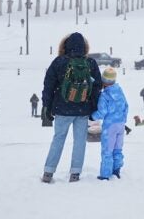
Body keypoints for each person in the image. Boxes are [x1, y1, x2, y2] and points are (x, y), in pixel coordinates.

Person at [41, 32, 102, 184]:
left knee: (58, 139)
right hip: (83, 109)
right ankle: (75, 173)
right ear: (84, 47)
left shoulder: (59, 62)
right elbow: (97, 87)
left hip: (62, 109)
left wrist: (47, 106)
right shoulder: (91, 63)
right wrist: (93, 108)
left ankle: (48, 172)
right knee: (80, 141)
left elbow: (48, 85)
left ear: (65, 45)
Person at [91, 67, 128, 181]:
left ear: (103, 81)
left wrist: (92, 116)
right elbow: (126, 106)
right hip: (121, 125)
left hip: (110, 126)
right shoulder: (119, 91)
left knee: (107, 150)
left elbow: (102, 112)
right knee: (118, 149)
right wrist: (123, 119)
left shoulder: (104, 95)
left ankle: (105, 175)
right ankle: (116, 170)